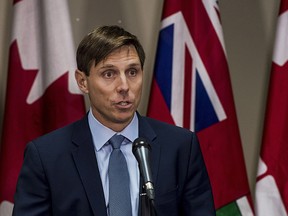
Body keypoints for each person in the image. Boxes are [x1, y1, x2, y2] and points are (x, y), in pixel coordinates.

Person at [12, 25, 215, 216]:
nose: (124, 86)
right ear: (83, 82)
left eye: (132, 72)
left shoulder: (181, 147)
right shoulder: (46, 156)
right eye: (109, 74)